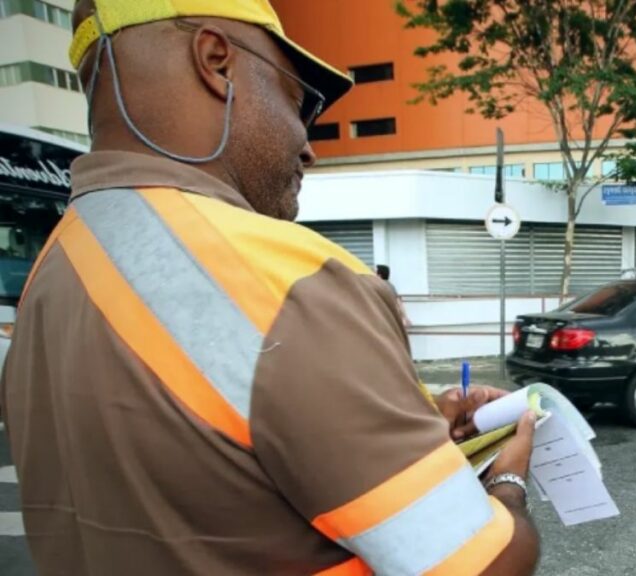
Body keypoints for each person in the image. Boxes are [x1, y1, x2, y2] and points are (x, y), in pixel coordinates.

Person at [0, 1, 540, 575]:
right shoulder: (287, 277)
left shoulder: (48, 275)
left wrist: (414, 423)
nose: (308, 145)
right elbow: (486, 566)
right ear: (216, 63)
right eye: (297, 101)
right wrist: (507, 477)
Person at [377, 263, 411, 328]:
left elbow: (397, 302)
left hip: (385, 317)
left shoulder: (380, 286)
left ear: (379, 275)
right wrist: (405, 317)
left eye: (376, 273)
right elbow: (398, 302)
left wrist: (404, 317)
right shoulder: (391, 286)